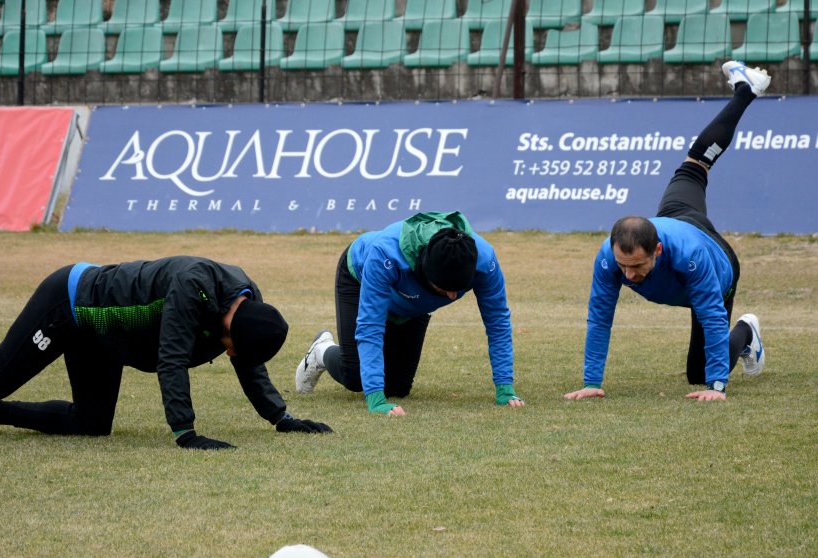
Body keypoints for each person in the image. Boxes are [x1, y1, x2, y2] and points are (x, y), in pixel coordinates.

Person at [0, 256, 332, 448]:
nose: (228, 355)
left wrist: (281, 418)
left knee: (91, 423)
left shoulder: (248, 300)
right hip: (69, 304)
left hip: (104, 336)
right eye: (231, 349)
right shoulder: (193, 285)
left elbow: (248, 361)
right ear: (231, 328)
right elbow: (170, 359)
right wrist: (185, 433)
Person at [564, 61, 770, 403]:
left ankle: (748, 331)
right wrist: (591, 381)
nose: (628, 275)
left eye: (637, 267)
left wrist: (717, 386)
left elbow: (712, 317)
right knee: (695, 164)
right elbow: (600, 316)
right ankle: (746, 90)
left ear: (657, 251)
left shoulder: (691, 260)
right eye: (623, 267)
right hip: (676, 217)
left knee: (700, 373)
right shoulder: (610, 257)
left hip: (716, 258)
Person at [293, 210, 523, 415]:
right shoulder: (385, 254)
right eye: (444, 290)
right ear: (424, 271)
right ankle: (321, 351)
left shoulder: (484, 260)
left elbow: (497, 321)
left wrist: (505, 388)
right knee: (355, 376)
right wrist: (374, 397)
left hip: (414, 304)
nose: (452, 297)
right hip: (359, 276)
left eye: (458, 289)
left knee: (397, 389)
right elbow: (370, 326)